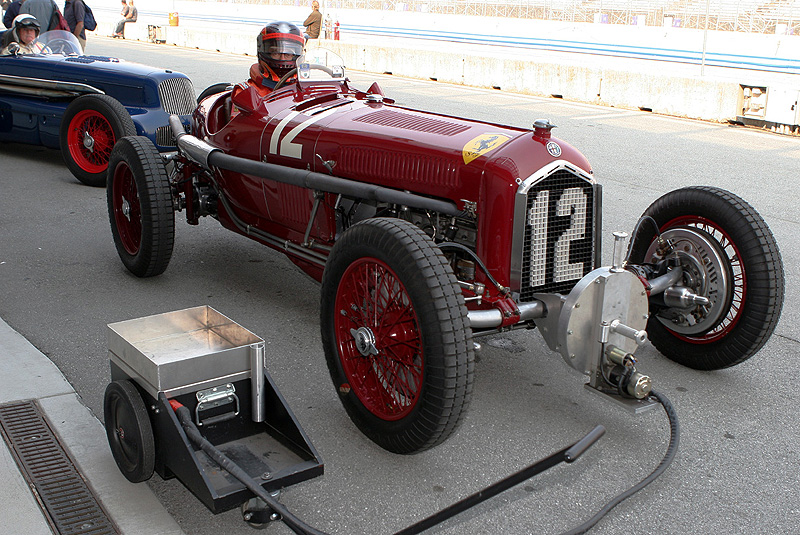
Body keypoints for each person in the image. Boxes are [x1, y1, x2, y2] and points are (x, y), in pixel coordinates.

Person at [232, 21, 303, 99]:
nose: (282, 59)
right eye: (276, 53)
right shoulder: (245, 91)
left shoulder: (304, 90)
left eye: (288, 54)